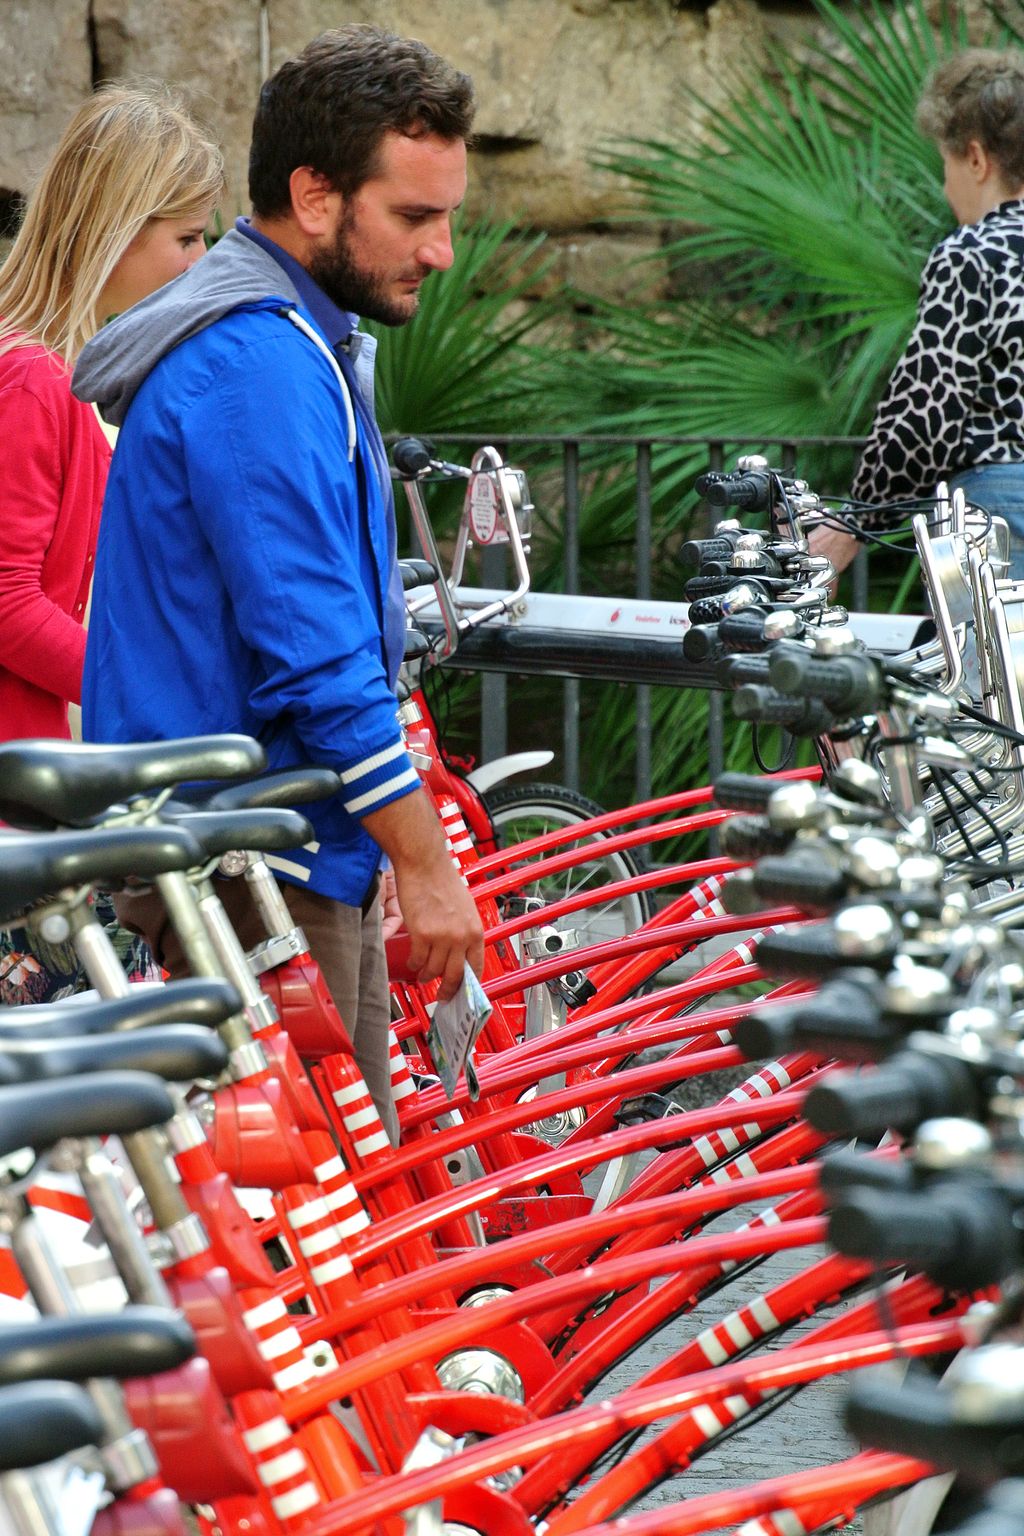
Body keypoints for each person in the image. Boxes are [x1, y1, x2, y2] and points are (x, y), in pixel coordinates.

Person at [73, 25, 485, 1139]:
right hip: (255, 856)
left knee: (341, 1217)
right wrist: (425, 863)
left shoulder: (291, 338)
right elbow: (313, 654)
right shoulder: (256, 363)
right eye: (413, 216)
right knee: (328, 1239)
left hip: (276, 837)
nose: (440, 250)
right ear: (314, 196)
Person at [0, 82, 223, 1002]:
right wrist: (141, 689)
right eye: (186, 237)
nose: (203, 261)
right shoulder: (34, 378)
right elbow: (8, 603)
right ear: (118, 233)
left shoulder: (58, 367)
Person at [811, 49, 1024, 577]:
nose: (946, 185)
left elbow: (927, 414)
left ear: (976, 159)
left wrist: (849, 526)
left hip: (1002, 519)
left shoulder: (974, 255)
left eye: (946, 164)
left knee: (989, 662)